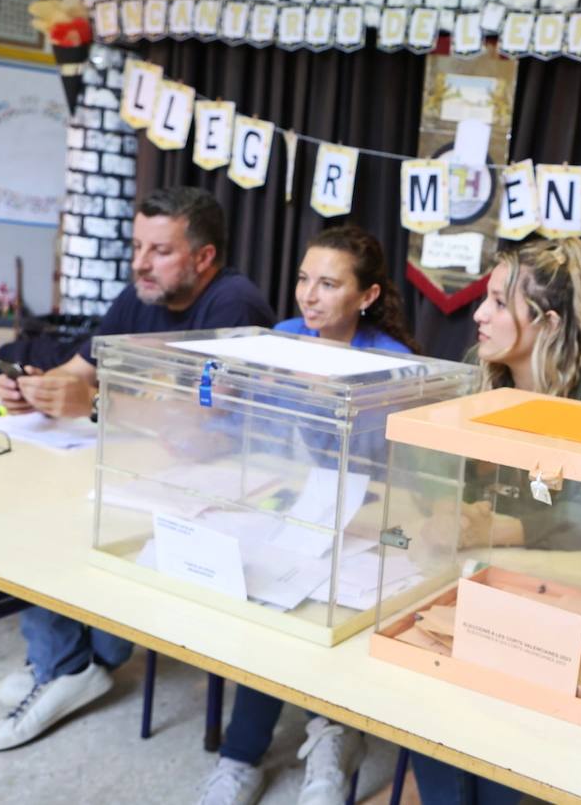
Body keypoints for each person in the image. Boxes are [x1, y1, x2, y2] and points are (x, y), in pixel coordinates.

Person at [0, 187, 276, 752]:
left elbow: (202, 420)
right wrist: (32, 392)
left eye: (159, 250)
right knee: (38, 495)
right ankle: (71, 658)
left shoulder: (234, 305)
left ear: (204, 258)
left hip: (220, 480)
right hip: (145, 463)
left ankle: (65, 666)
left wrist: (91, 404)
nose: (140, 262)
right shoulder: (142, 291)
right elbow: (79, 370)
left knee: (55, 517)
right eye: (138, 245)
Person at [411, 237, 581, 805]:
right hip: (485, 572)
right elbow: (442, 472)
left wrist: (493, 528)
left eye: (496, 302)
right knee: (424, 682)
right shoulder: (483, 377)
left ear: (544, 320)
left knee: (508, 718)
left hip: (569, 586)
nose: (479, 314)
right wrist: (449, 507)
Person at [199, 225, 417, 805]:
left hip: (370, 518)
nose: (308, 296)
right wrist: (219, 397)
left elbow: (402, 470)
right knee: (267, 598)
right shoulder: (281, 340)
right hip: (289, 506)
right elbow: (243, 433)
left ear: (366, 296)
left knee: (322, 605)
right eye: (302, 279)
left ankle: (332, 738)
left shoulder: (395, 365)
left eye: (328, 283)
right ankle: (241, 755)